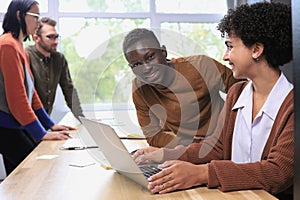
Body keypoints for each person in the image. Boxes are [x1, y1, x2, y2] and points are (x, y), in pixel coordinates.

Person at [132, 2, 293, 199]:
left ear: (256, 50)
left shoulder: (291, 104)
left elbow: (277, 172)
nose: (225, 56)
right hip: (238, 194)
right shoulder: (237, 93)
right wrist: (163, 155)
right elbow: (217, 148)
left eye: (230, 46)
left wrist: (202, 173)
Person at [123, 28, 240, 148]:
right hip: (188, 149)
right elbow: (153, 136)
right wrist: (189, 144)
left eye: (150, 57)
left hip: (226, 141)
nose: (146, 68)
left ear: (163, 52)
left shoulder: (202, 66)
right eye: (137, 65)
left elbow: (246, 93)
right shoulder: (140, 89)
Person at [0, 0, 75, 175]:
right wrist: (41, 133)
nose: (39, 22)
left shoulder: (19, 46)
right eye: (35, 16)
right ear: (19, 15)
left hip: (14, 124)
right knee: (36, 170)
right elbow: (17, 99)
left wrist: (50, 125)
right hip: (4, 125)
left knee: (20, 179)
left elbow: (31, 92)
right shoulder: (7, 45)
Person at [26, 17, 84, 120]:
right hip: (25, 122)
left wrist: (82, 119)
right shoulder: (26, 56)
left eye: (56, 37)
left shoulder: (59, 59)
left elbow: (69, 90)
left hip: (45, 122)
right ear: (36, 38)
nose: (56, 41)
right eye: (50, 37)